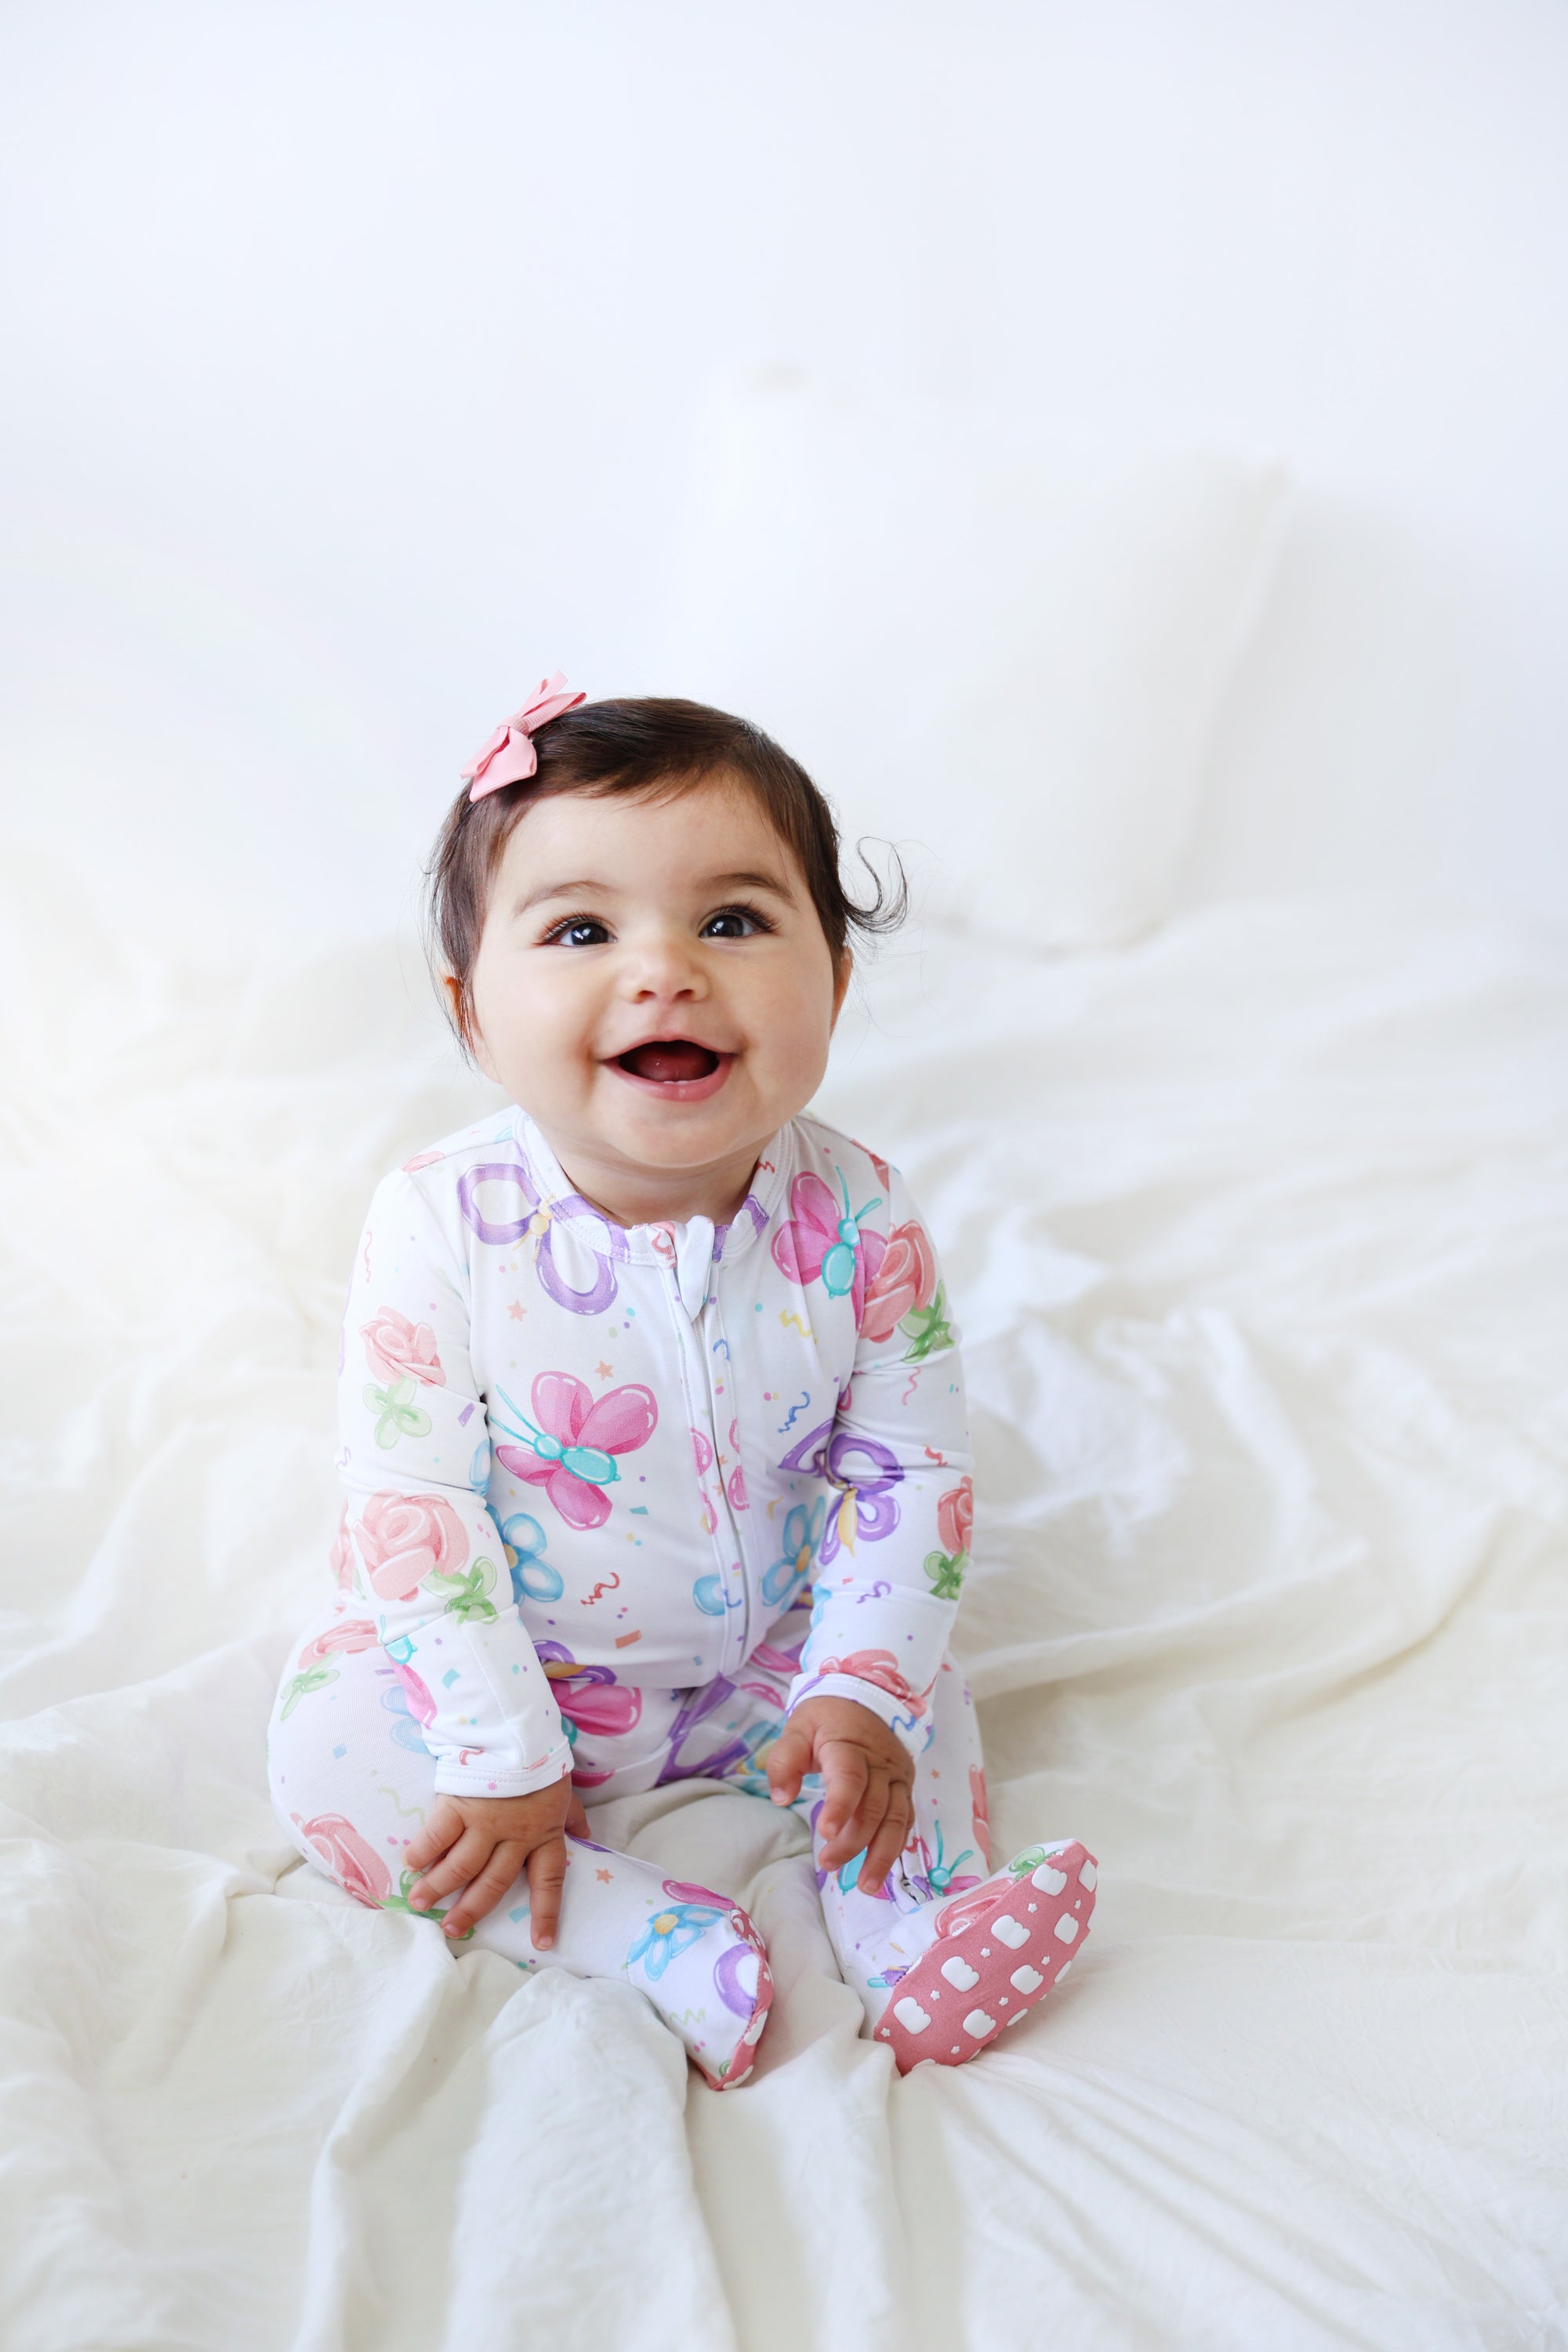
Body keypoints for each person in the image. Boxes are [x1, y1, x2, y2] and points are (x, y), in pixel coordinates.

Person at [267, 677, 1097, 2088]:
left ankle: (908, 1928)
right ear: (471, 1013)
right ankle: (640, 1936)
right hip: (523, 1665)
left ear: (834, 979)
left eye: (733, 920)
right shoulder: (441, 1223)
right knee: (332, 1759)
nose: (665, 970)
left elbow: (906, 1473)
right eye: (582, 929)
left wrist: (855, 1686)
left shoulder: (863, 1215)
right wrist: (497, 1747)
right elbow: (414, 1506)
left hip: (772, 1655)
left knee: (924, 1694)